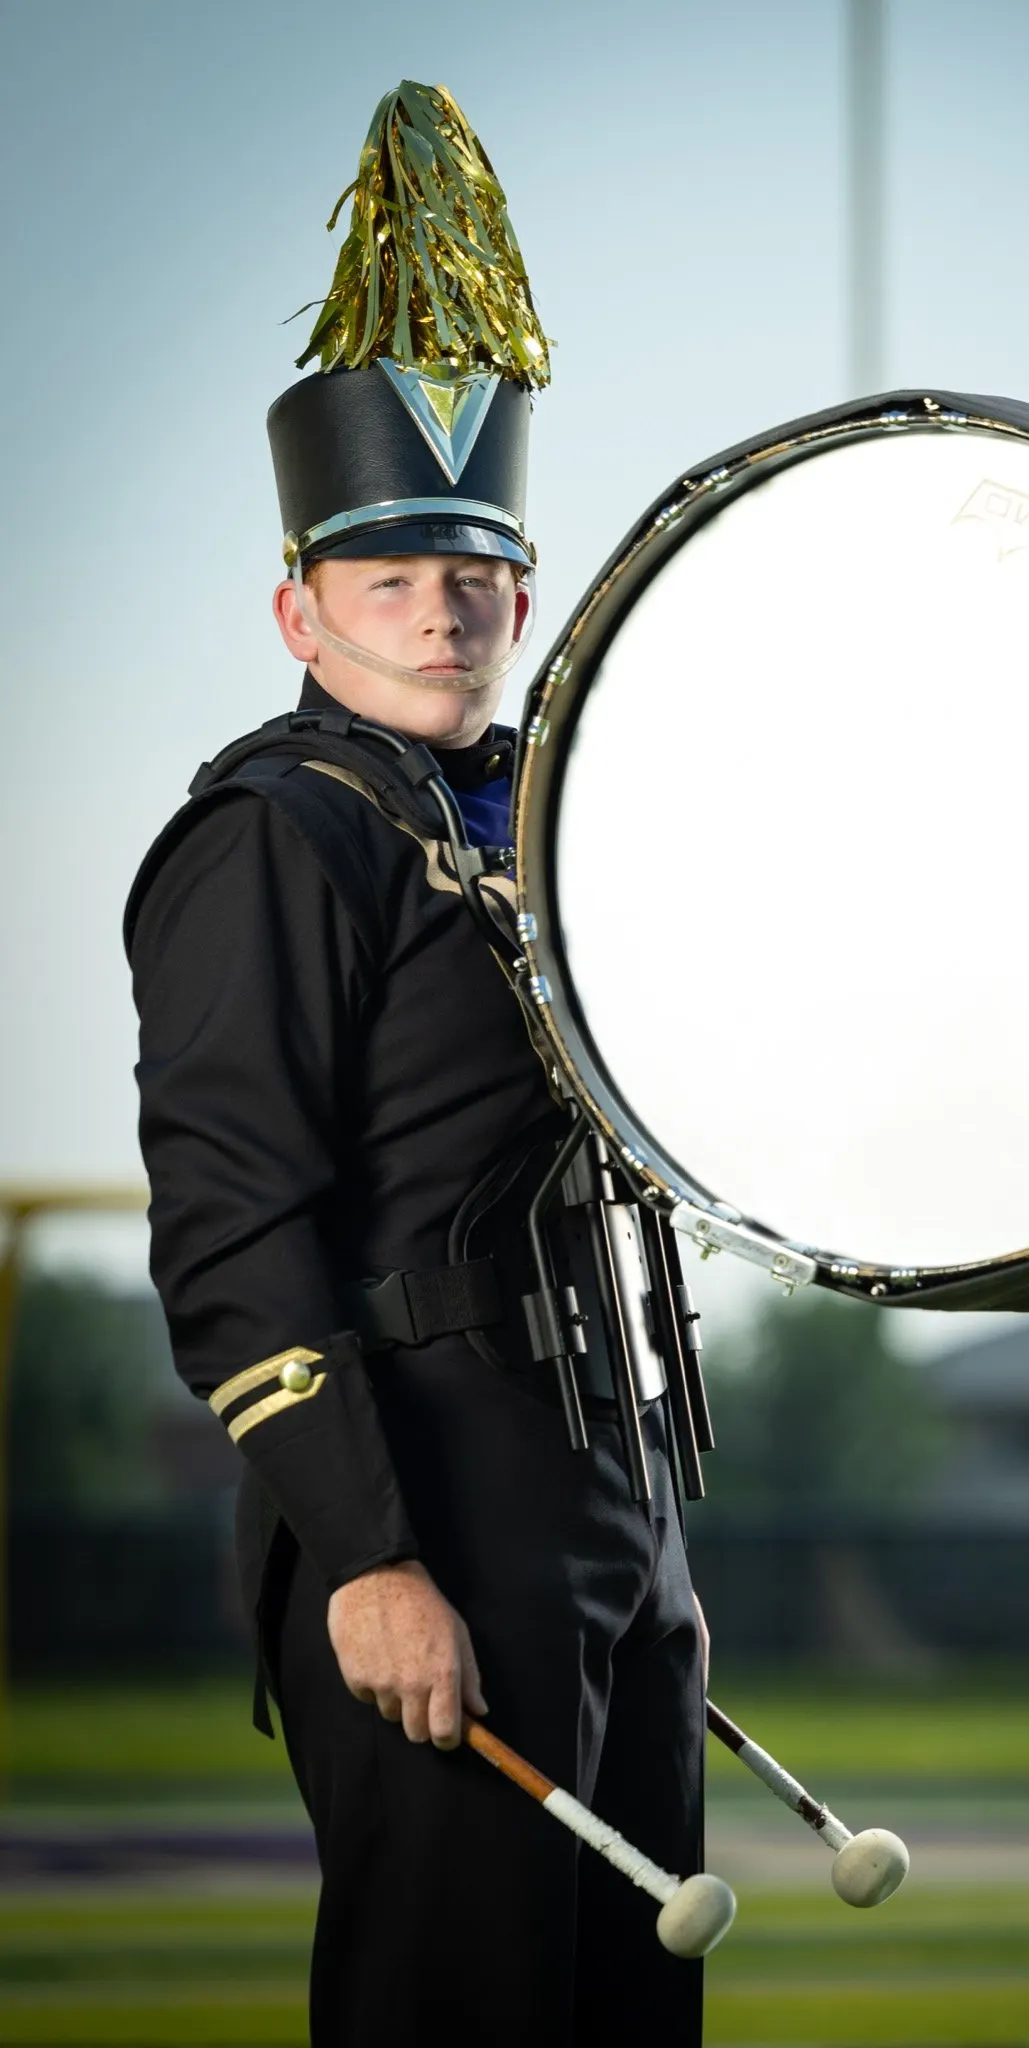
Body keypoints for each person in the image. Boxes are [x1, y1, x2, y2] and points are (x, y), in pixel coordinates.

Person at [125, 82, 708, 2046]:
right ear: (301, 608)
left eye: (474, 576)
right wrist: (368, 1556)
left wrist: (625, 1567)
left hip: (596, 1495)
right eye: (389, 580)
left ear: (523, 598)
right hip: (415, 1493)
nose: (442, 610)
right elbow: (229, 1232)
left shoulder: (557, 834)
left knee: (628, 2022)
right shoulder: (273, 838)